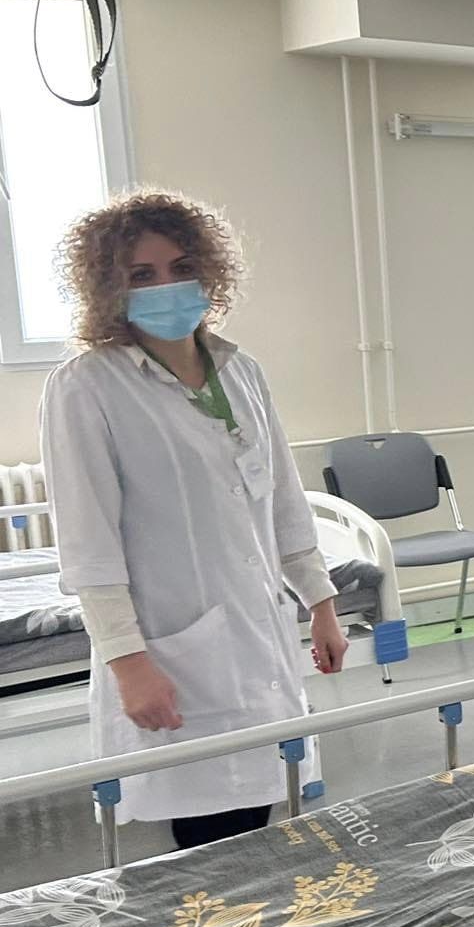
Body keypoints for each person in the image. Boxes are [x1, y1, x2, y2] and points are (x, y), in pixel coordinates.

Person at [41, 190, 346, 849]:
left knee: (265, 809)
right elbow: (90, 549)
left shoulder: (241, 371)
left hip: (259, 637)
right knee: (209, 836)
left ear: (209, 272)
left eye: (181, 267)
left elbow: (283, 500)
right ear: (110, 288)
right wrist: (130, 667)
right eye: (142, 274)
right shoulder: (87, 386)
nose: (168, 286)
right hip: (173, 649)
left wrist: (320, 602)